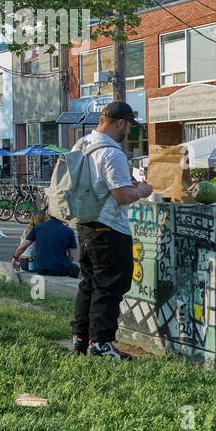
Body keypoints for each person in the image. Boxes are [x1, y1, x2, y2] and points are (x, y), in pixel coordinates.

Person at [70, 101, 153, 359]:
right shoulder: (112, 152)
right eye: (128, 126)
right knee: (110, 287)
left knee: (89, 284)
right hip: (110, 228)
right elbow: (122, 195)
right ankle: (102, 343)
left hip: (85, 224)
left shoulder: (81, 144)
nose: (127, 131)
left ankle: (80, 338)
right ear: (121, 123)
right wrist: (141, 190)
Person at [11, 209, 78, 277]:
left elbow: (23, 246)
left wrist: (15, 257)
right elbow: (72, 256)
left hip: (41, 268)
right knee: (76, 269)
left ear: (48, 216)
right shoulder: (69, 231)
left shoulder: (37, 228)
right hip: (60, 268)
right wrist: (65, 264)